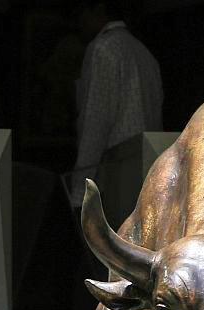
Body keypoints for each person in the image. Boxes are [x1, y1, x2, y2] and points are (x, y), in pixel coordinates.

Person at [71, 0, 163, 208]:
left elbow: (95, 120)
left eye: (82, 12)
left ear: (98, 9)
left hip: (117, 172)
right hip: (150, 170)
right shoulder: (144, 52)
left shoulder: (103, 48)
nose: (80, 21)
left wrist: (79, 190)